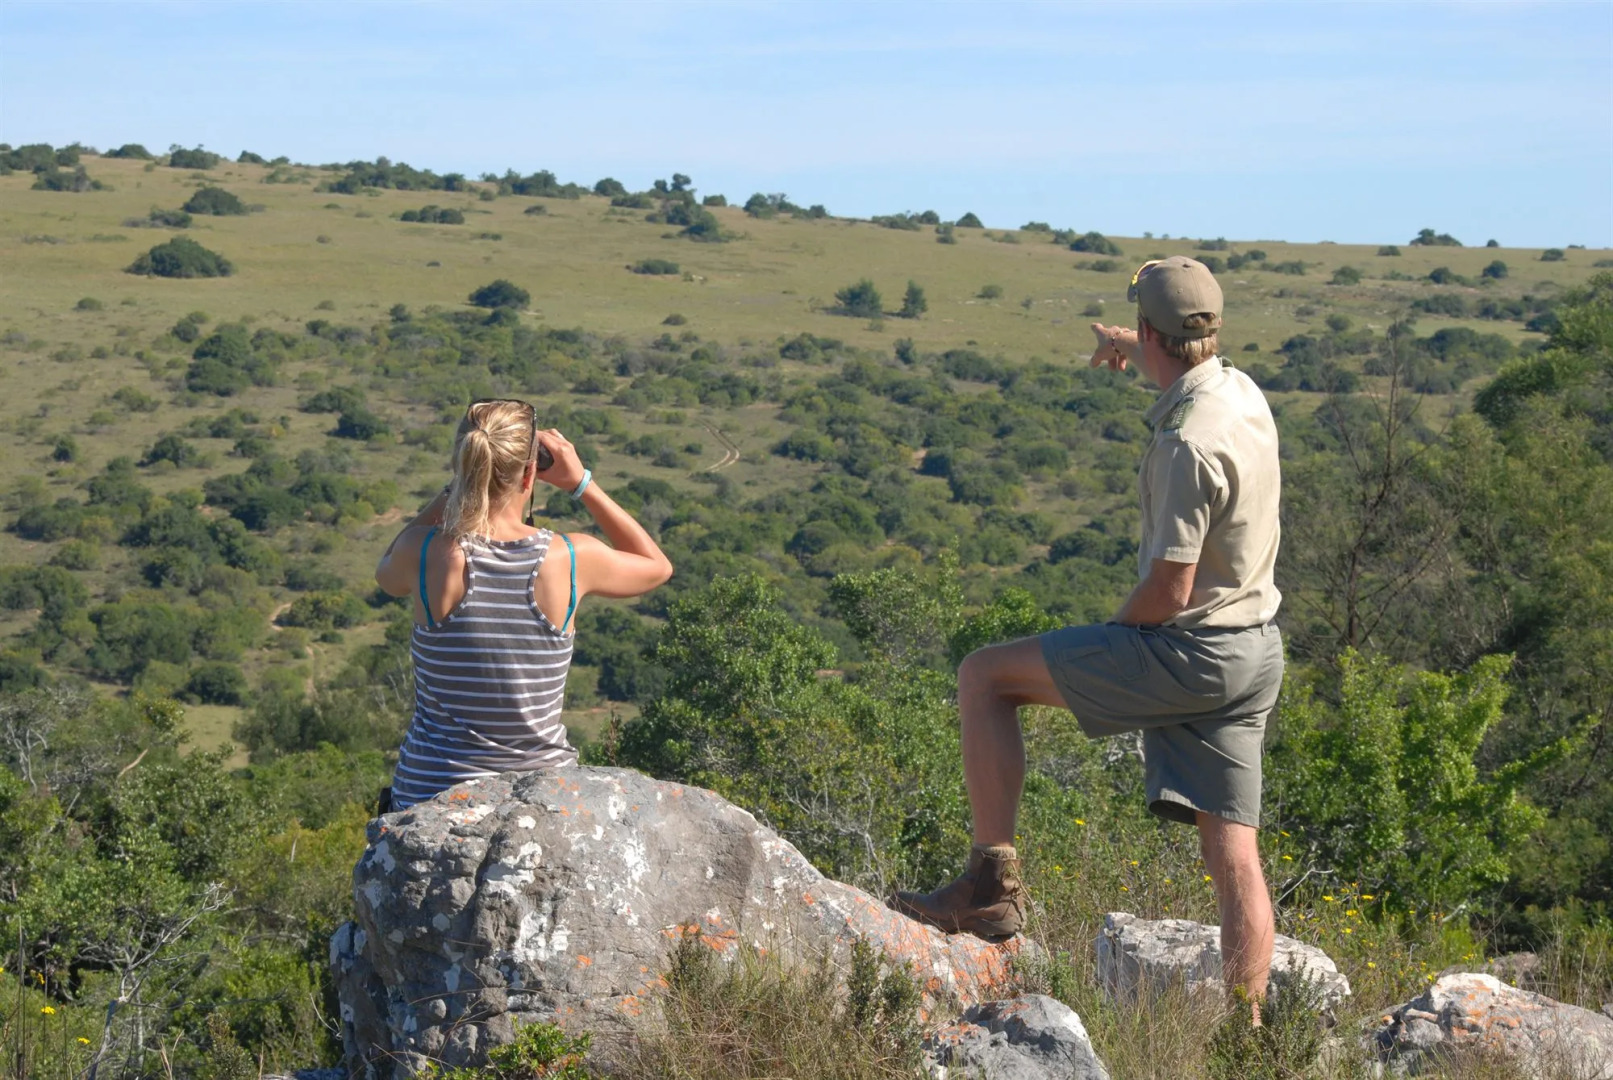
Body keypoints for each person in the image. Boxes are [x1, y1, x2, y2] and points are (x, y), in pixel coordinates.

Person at [890, 256, 1284, 1006]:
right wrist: (1132, 347)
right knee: (1235, 854)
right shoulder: (1240, 392)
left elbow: (1167, 589)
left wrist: (1114, 635)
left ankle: (989, 886)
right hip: (1252, 651)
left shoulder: (1184, 444)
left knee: (984, 676)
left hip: (1184, 652)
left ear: (1147, 327)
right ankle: (1248, 1030)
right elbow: (1181, 361)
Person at [374, 399, 673, 810]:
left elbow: (386, 572)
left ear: (463, 462)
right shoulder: (570, 558)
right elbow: (657, 567)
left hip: (429, 796)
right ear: (530, 473)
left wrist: (459, 488)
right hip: (540, 797)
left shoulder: (424, 552)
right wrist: (581, 483)